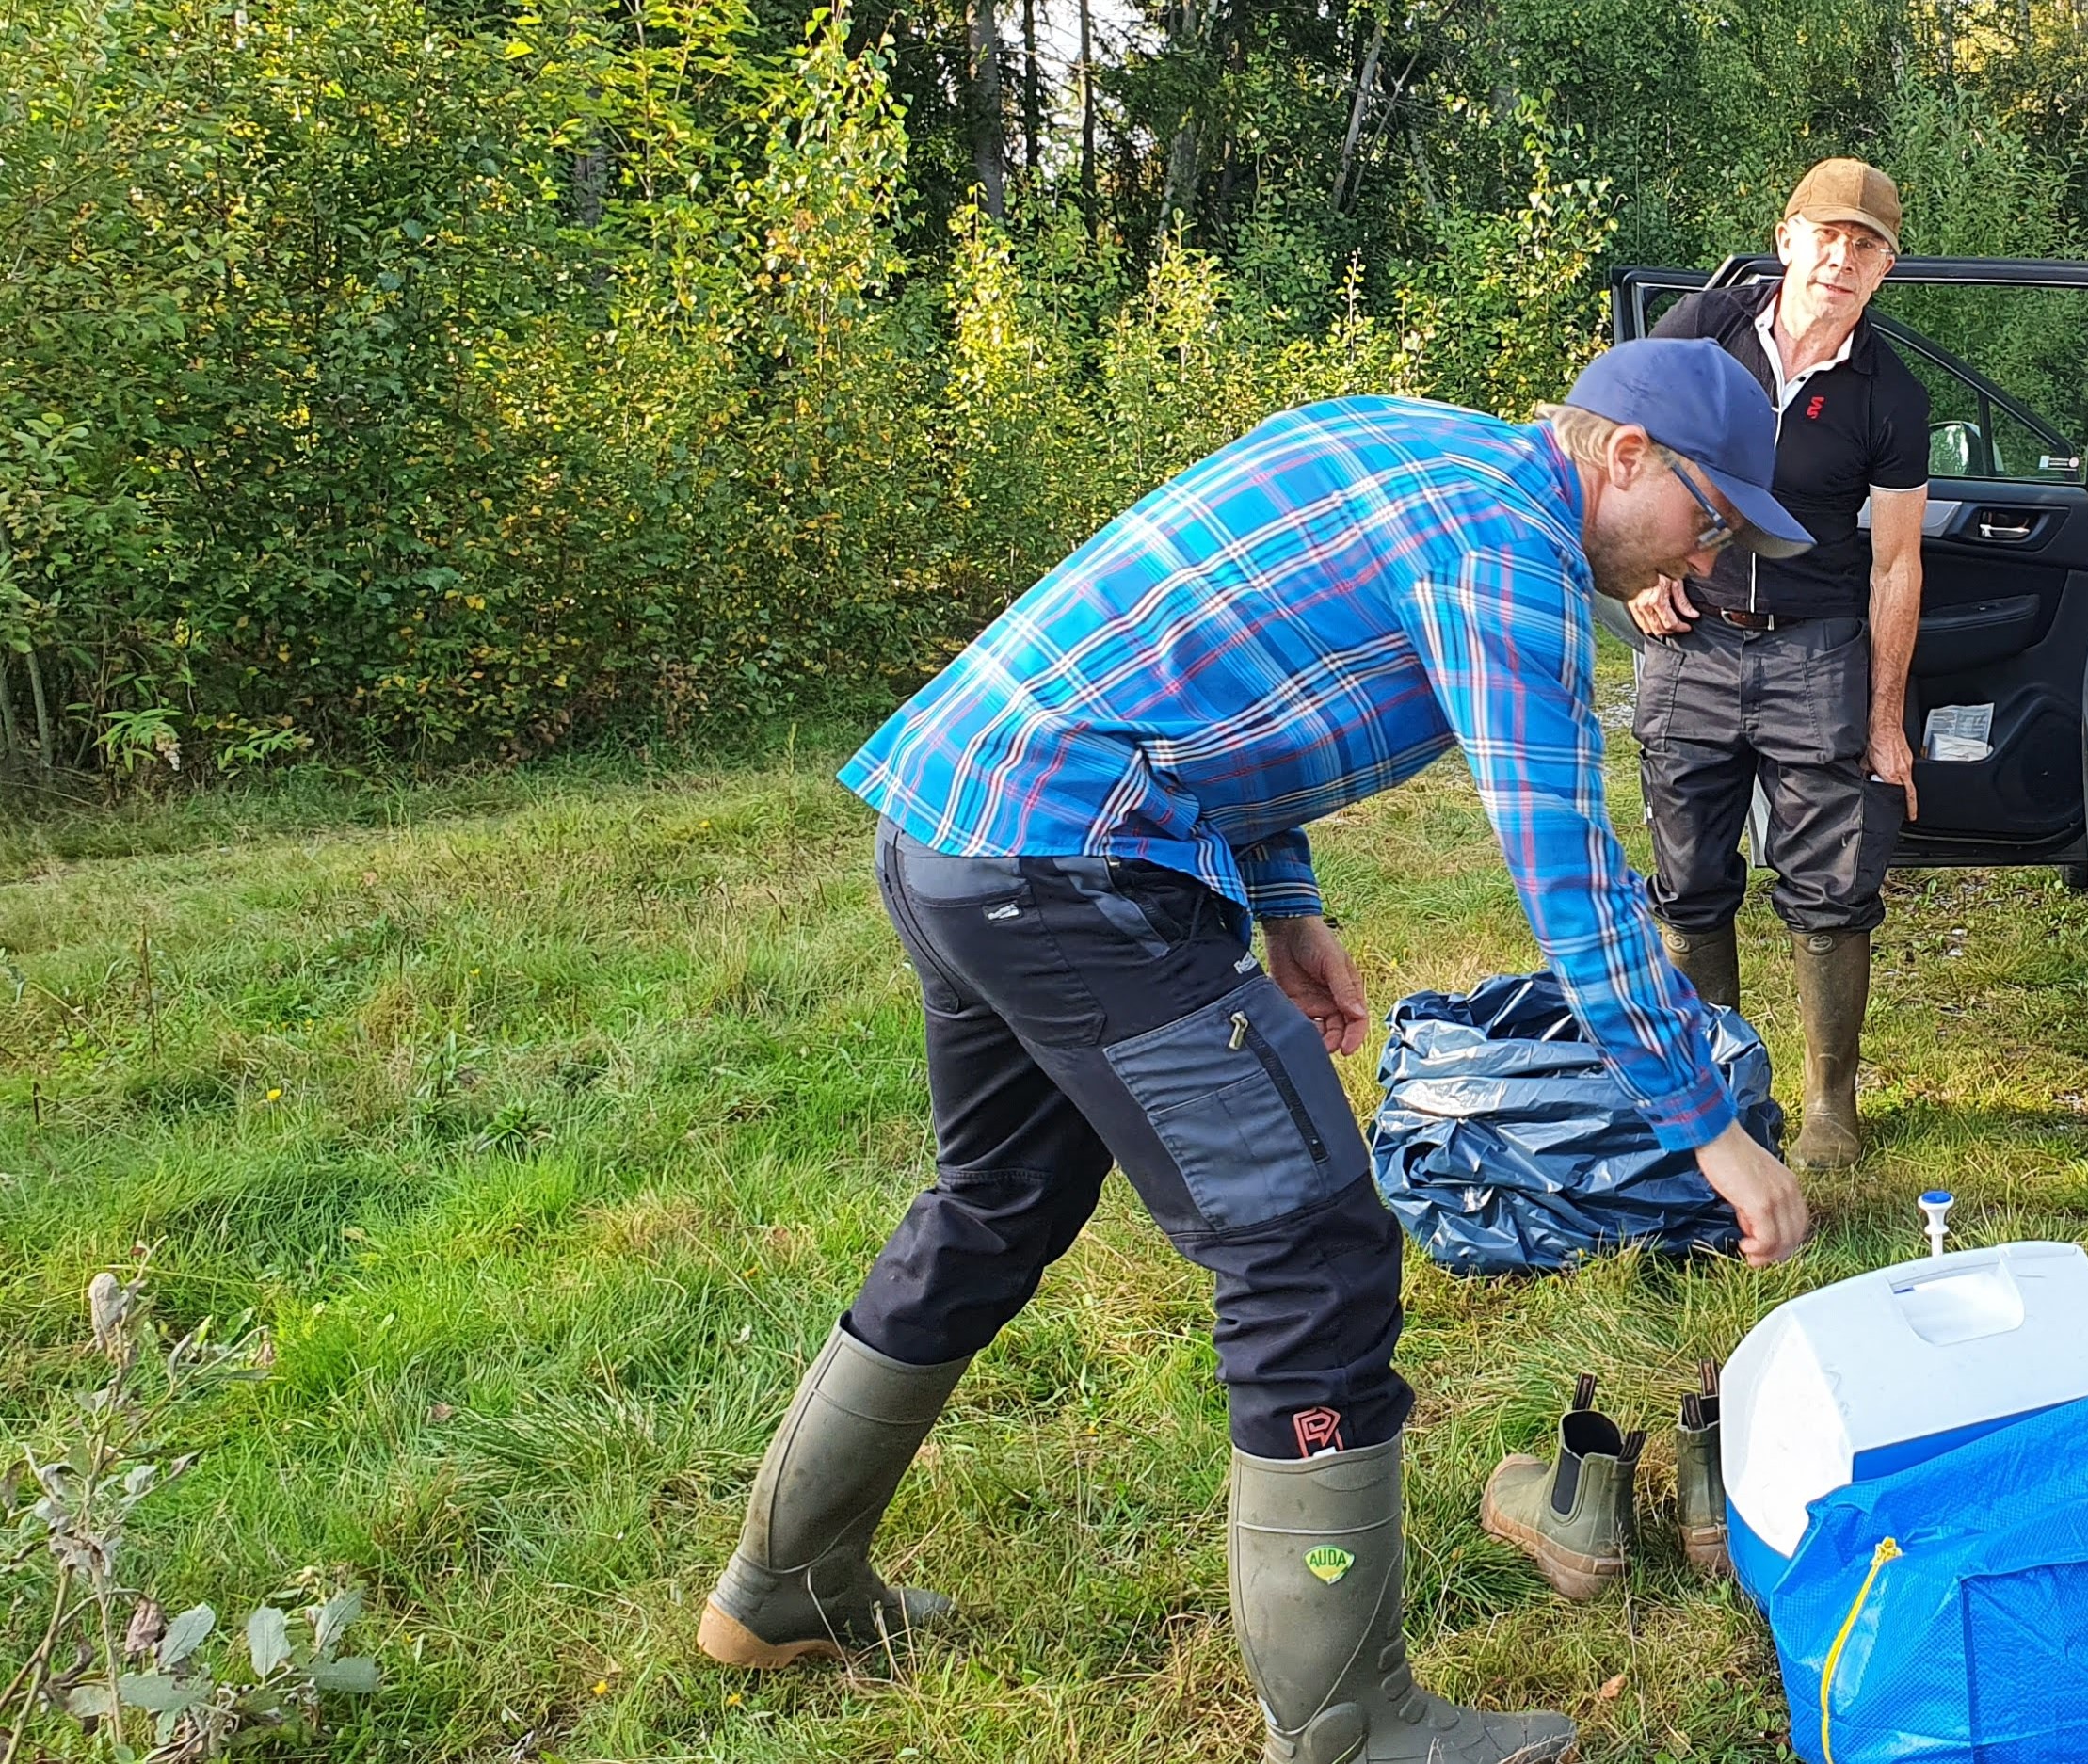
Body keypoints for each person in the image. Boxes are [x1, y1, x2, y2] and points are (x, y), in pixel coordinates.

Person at [696, 340, 1816, 1764]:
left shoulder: (1411, 443)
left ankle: (780, 1590)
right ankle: (1349, 1725)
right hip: (1067, 860)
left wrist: (1283, 902)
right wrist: (1704, 1119)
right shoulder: (1506, 548)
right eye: (1708, 521)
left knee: (997, 1205)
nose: (1708, 563)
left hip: (957, 819)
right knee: (1309, 1241)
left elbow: (1222, 666)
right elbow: (1571, 876)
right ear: (1625, 457)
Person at [1630, 158, 1934, 1172]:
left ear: (1886, 269)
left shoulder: (1889, 392)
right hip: (1689, 644)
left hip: (1816, 651)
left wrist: (1886, 719)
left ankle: (1827, 1110)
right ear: (1788, 237)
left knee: (1833, 884)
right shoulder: (1699, 331)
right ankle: (1722, 1088)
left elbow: (1896, 563)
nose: (1843, 258)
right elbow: (1594, 445)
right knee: (1687, 878)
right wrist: (1628, 572)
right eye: (1829, 235)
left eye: (1868, 245)